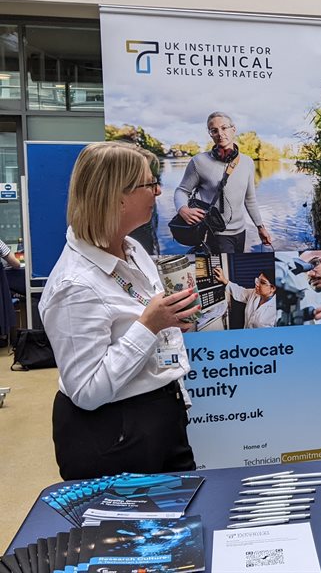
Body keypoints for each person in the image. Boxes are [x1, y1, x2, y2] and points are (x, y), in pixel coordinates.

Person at [39, 142, 201, 480]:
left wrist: (169, 322)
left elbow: (141, 321)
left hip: (162, 415)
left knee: (184, 519)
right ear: (117, 196)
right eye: (148, 184)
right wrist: (149, 326)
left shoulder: (132, 249)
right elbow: (86, 391)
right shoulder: (75, 285)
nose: (158, 191)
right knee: (128, 532)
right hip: (113, 436)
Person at [174, 111, 272, 253]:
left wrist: (260, 227)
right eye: (214, 130)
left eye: (224, 128)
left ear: (234, 129)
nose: (220, 133)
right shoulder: (199, 162)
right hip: (216, 235)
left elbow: (250, 199)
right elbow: (182, 190)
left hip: (241, 232)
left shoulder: (247, 162)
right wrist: (182, 209)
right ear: (210, 134)